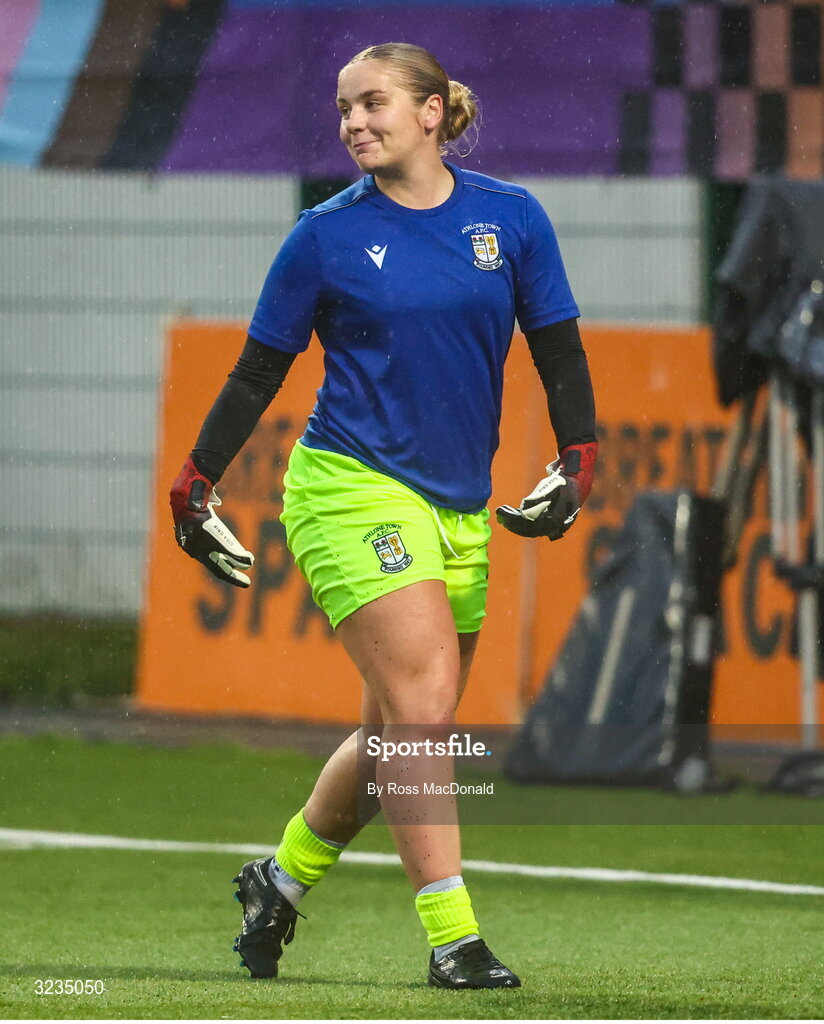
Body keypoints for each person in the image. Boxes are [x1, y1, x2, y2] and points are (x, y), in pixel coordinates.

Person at [169, 41, 597, 990]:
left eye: (373, 105)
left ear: (434, 112)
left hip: (457, 508)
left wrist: (579, 459)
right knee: (422, 712)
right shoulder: (322, 235)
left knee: (397, 731)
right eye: (343, 109)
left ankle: (278, 882)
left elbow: (558, 348)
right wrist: (196, 482)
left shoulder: (512, 220)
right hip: (346, 487)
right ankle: (454, 941)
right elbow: (257, 372)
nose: (353, 123)